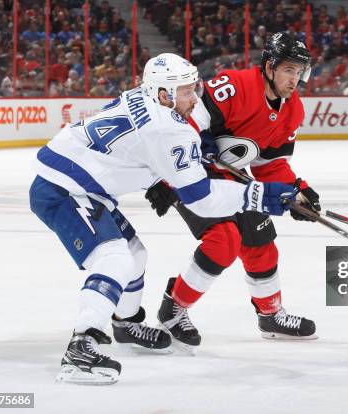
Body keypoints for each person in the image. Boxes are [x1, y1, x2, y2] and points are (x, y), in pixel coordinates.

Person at [29, 53, 298, 385]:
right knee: (113, 258)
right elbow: (201, 199)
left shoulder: (141, 96)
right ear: (163, 94)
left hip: (82, 180)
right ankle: (81, 348)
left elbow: (137, 142)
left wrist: (184, 157)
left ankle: (125, 324)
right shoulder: (170, 129)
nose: (193, 98)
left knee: (136, 255)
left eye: (192, 89)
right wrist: (265, 196)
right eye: (184, 92)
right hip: (64, 188)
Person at [145, 32, 319, 349]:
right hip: (190, 170)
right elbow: (186, 124)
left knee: (260, 240)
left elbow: (269, 165)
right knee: (223, 241)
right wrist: (170, 178)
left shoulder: (292, 110)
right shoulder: (234, 85)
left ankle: (270, 314)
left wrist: (297, 190)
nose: (295, 79)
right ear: (270, 66)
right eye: (288, 70)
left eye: (299, 71)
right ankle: (174, 309)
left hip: (231, 175)